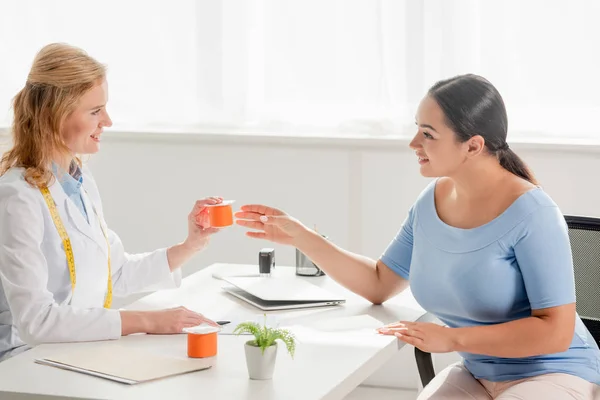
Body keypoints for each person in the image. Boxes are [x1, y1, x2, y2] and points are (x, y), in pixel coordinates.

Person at [235, 74, 600, 399]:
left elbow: (556, 331)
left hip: (554, 373)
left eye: (428, 134)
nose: (413, 143)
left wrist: (453, 339)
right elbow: (379, 282)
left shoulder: (533, 213)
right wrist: (300, 236)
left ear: (472, 145)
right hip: (479, 374)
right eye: (417, 129)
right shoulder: (433, 201)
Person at [0, 43, 222, 362]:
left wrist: (191, 244)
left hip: (74, 348)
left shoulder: (78, 181)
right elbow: (36, 322)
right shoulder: (17, 198)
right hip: (24, 358)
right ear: (54, 115)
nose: (108, 120)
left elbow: (115, 273)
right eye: (95, 111)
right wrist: (148, 321)